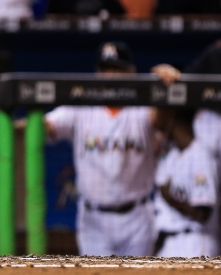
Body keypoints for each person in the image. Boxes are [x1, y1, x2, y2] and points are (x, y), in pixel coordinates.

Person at [44, 42, 158, 257]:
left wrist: (166, 85)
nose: (111, 76)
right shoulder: (80, 108)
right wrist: (6, 125)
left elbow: (162, 120)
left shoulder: (144, 109)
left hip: (138, 216)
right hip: (93, 218)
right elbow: (44, 127)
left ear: (131, 73)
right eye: (106, 69)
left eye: (117, 70)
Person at [154, 109, 219, 258]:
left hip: (195, 242)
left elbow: (203, 213)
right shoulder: (172, 154)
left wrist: (172, 200)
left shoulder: (201, 154)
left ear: (173, 122)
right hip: (169, 242)